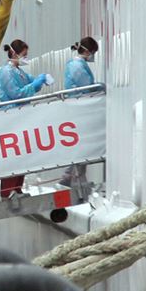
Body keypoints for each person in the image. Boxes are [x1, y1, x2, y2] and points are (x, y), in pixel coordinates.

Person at [0, 39, 52, 198]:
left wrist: (40, 80)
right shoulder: (6, 72)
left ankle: (17, 188)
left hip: (21, 117)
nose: (26, 58)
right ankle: (8, 191)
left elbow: (30, 82)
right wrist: (35, 84)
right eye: (24, 55)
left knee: (21, 154)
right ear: (14, 53)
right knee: (12, 155)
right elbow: (16, 94)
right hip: (11, 117)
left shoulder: (18, 71)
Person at [60, 36, 99, 189]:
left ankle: (76, 177)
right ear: (88, 51)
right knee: (82, 144)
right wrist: (98, 87)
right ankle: (69, 175)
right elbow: (85, 86)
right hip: (79, 108)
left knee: (82, 144)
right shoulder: (77, 65)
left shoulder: (76, 64)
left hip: (78, 108)